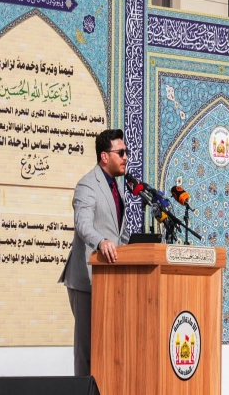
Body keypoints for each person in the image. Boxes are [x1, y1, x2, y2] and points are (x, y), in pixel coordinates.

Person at [58, 129, 130, 376]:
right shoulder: (88, 184)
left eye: (126, 152)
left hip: (110, 280)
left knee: (108, 347)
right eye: (121, 152)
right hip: (86, 280)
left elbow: (117, 232)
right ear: (104, 156)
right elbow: (83, 225)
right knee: (86, 351)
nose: (126, 157)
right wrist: (101, 242)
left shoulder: (116, 187)